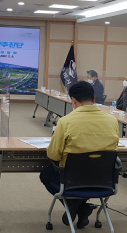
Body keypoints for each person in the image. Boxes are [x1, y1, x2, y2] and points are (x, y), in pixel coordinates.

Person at [40, 81, 119, 228]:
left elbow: (54, 155)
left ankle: (73, 204)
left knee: (45, 175)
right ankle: (81, 207)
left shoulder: (65, 122)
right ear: (94, 99)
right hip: (104, 180)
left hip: (72, 179)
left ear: (73, 101)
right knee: (89, 173)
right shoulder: (112, 121)